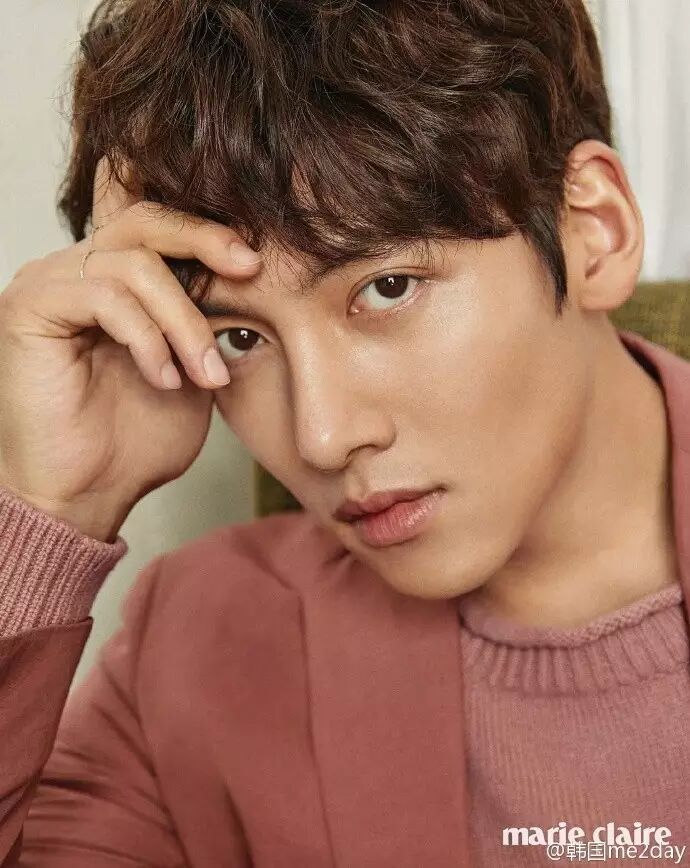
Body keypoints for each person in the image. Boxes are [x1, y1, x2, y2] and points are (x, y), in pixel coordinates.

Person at [0, 0, 688, 865]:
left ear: (595, 231)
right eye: (237, 338)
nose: (321, 438)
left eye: (387, 288)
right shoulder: (198, 642)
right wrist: (49, 509)